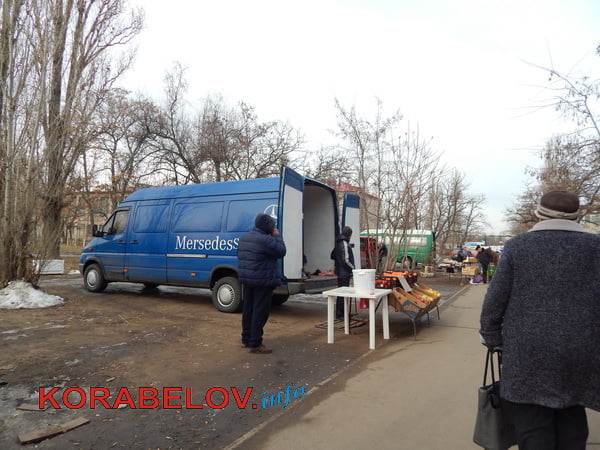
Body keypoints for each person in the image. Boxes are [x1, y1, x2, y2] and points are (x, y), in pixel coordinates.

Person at [479, 191, 600, 449]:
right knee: (572, 419)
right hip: (581, 349)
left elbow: (495, 300)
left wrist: (492, 338)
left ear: (538, 216)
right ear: (577, 217)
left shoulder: (518, 246)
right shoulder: (595, 247)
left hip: (527, 351)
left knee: (532, 426)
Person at [237, 213, 287, 354]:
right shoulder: (266, 240)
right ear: (268, 226)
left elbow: (240, 255)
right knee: (260, 312)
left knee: (248, 310)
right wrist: (277, 235)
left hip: (248, 280)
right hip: (263, 281)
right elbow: (281, 251)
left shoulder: (244, 237)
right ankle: (255, 343)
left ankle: (246, 339)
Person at [331, 226, 355, 320]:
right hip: (344, 273)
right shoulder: (344, 243)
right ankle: (340, 314)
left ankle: (341, 313)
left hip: (341, 272)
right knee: (342, 294)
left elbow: (333, 255)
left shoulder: (338, 242)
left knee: (341, 293)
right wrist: (353, 269)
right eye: (351, 235)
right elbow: (346, 260)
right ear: (349, 235)